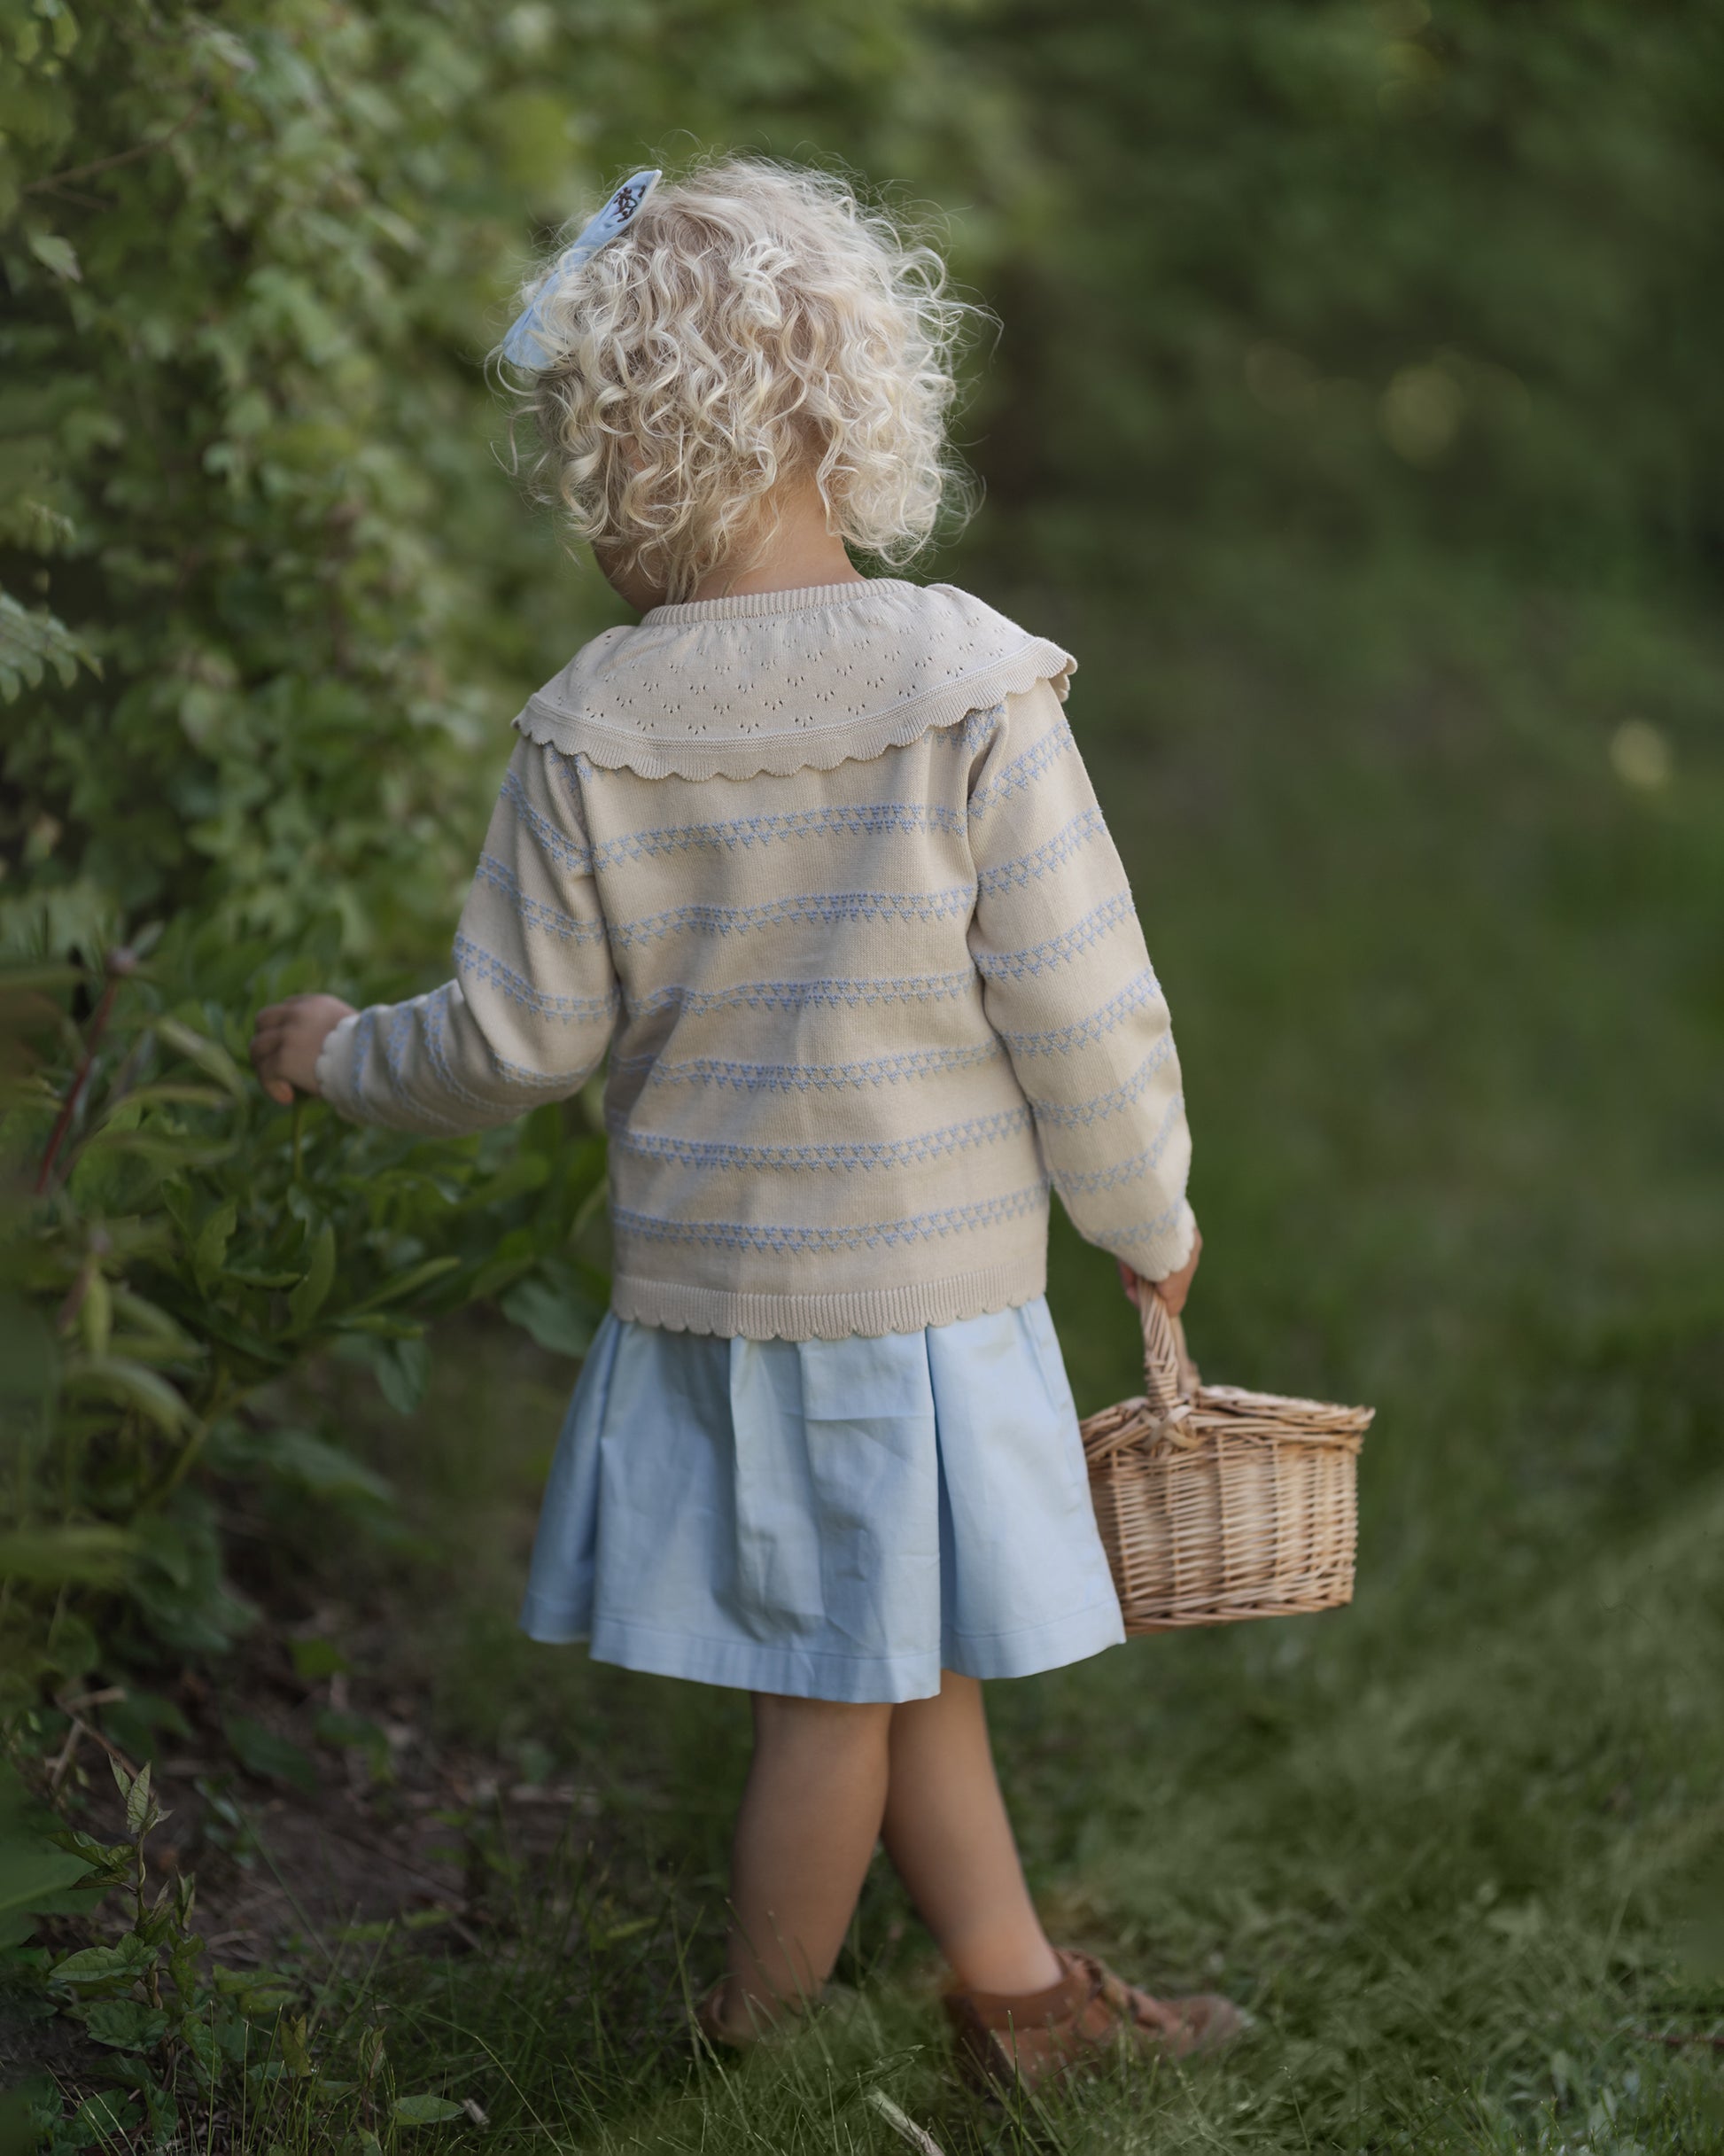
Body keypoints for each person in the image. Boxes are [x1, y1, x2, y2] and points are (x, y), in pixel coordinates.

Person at [250, 158, 1243, 2091]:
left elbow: (514, 1039)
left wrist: (347, 1051)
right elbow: (1081, 991)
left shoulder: (595, 725)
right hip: (925, 1304)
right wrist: (1145, 1206)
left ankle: (1009, 1993)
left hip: (738, 1307)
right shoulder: (964, 679)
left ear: (617, 445)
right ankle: (755, 2056)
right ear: (841, 405)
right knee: (845, 1687)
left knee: (888, 1663)